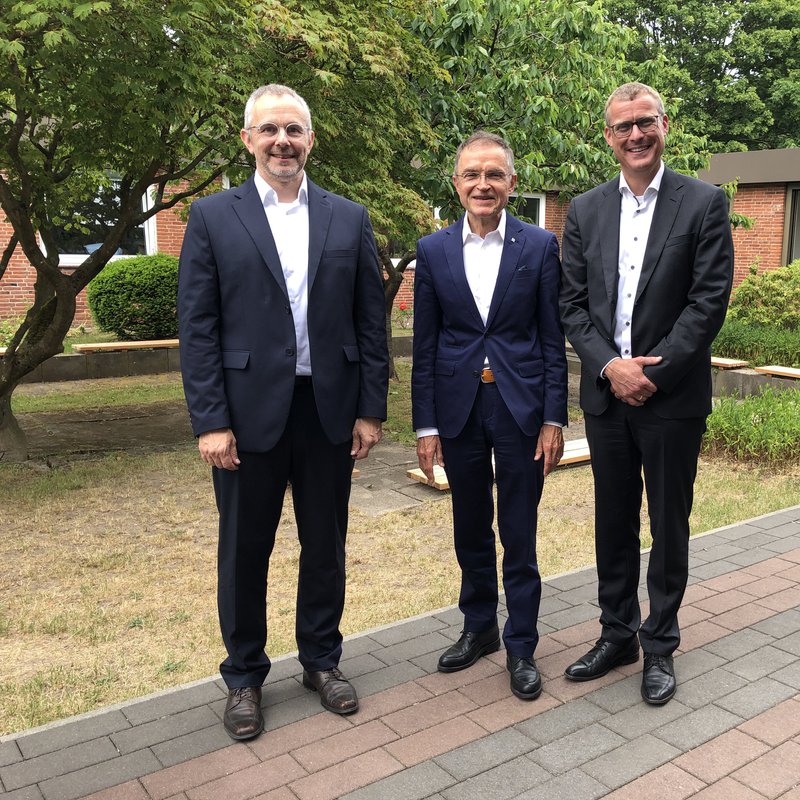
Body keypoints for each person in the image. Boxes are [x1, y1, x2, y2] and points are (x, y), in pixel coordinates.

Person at [178, 84, 388, 740]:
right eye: (269, 130)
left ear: (310, 140)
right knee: (245, 549)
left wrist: (370, 410)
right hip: (244, 418)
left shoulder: (347, 219)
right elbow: (198, 327)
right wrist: (210, 420)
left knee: (325, 544)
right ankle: (244, 675)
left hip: (327, 411)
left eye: (294, 130)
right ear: (248, 139)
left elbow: (369, 322)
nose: (282, 142)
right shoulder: (213, 218)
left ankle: (321, 661)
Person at [560, 82, 733, 704]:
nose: (635, 135)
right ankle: (617, 633)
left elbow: (708, 301)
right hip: (609, 398)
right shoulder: (584, 210)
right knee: (613, 520)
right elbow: (572, 306)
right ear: (608, 137)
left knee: (668, 523)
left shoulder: (705, 202)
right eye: (622, 126)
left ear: (665, 125)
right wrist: (612, 367)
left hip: (671, 398)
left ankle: (659, 644)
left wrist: (651, 374)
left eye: (645, 123)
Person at [412, 131, 568, 700]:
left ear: (512, 184)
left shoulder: (539, 246)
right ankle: (479, 628)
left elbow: (553, 341)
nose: (483, 184)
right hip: (458, 410)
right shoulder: (431, 252)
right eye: (471, 175)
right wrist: (425, 426)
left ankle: (521, 644)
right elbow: (424, 346)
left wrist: (555, 418)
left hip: (520, 409)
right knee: (469, 527)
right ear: (455, 184)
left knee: (519, 532)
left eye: (494, 175)